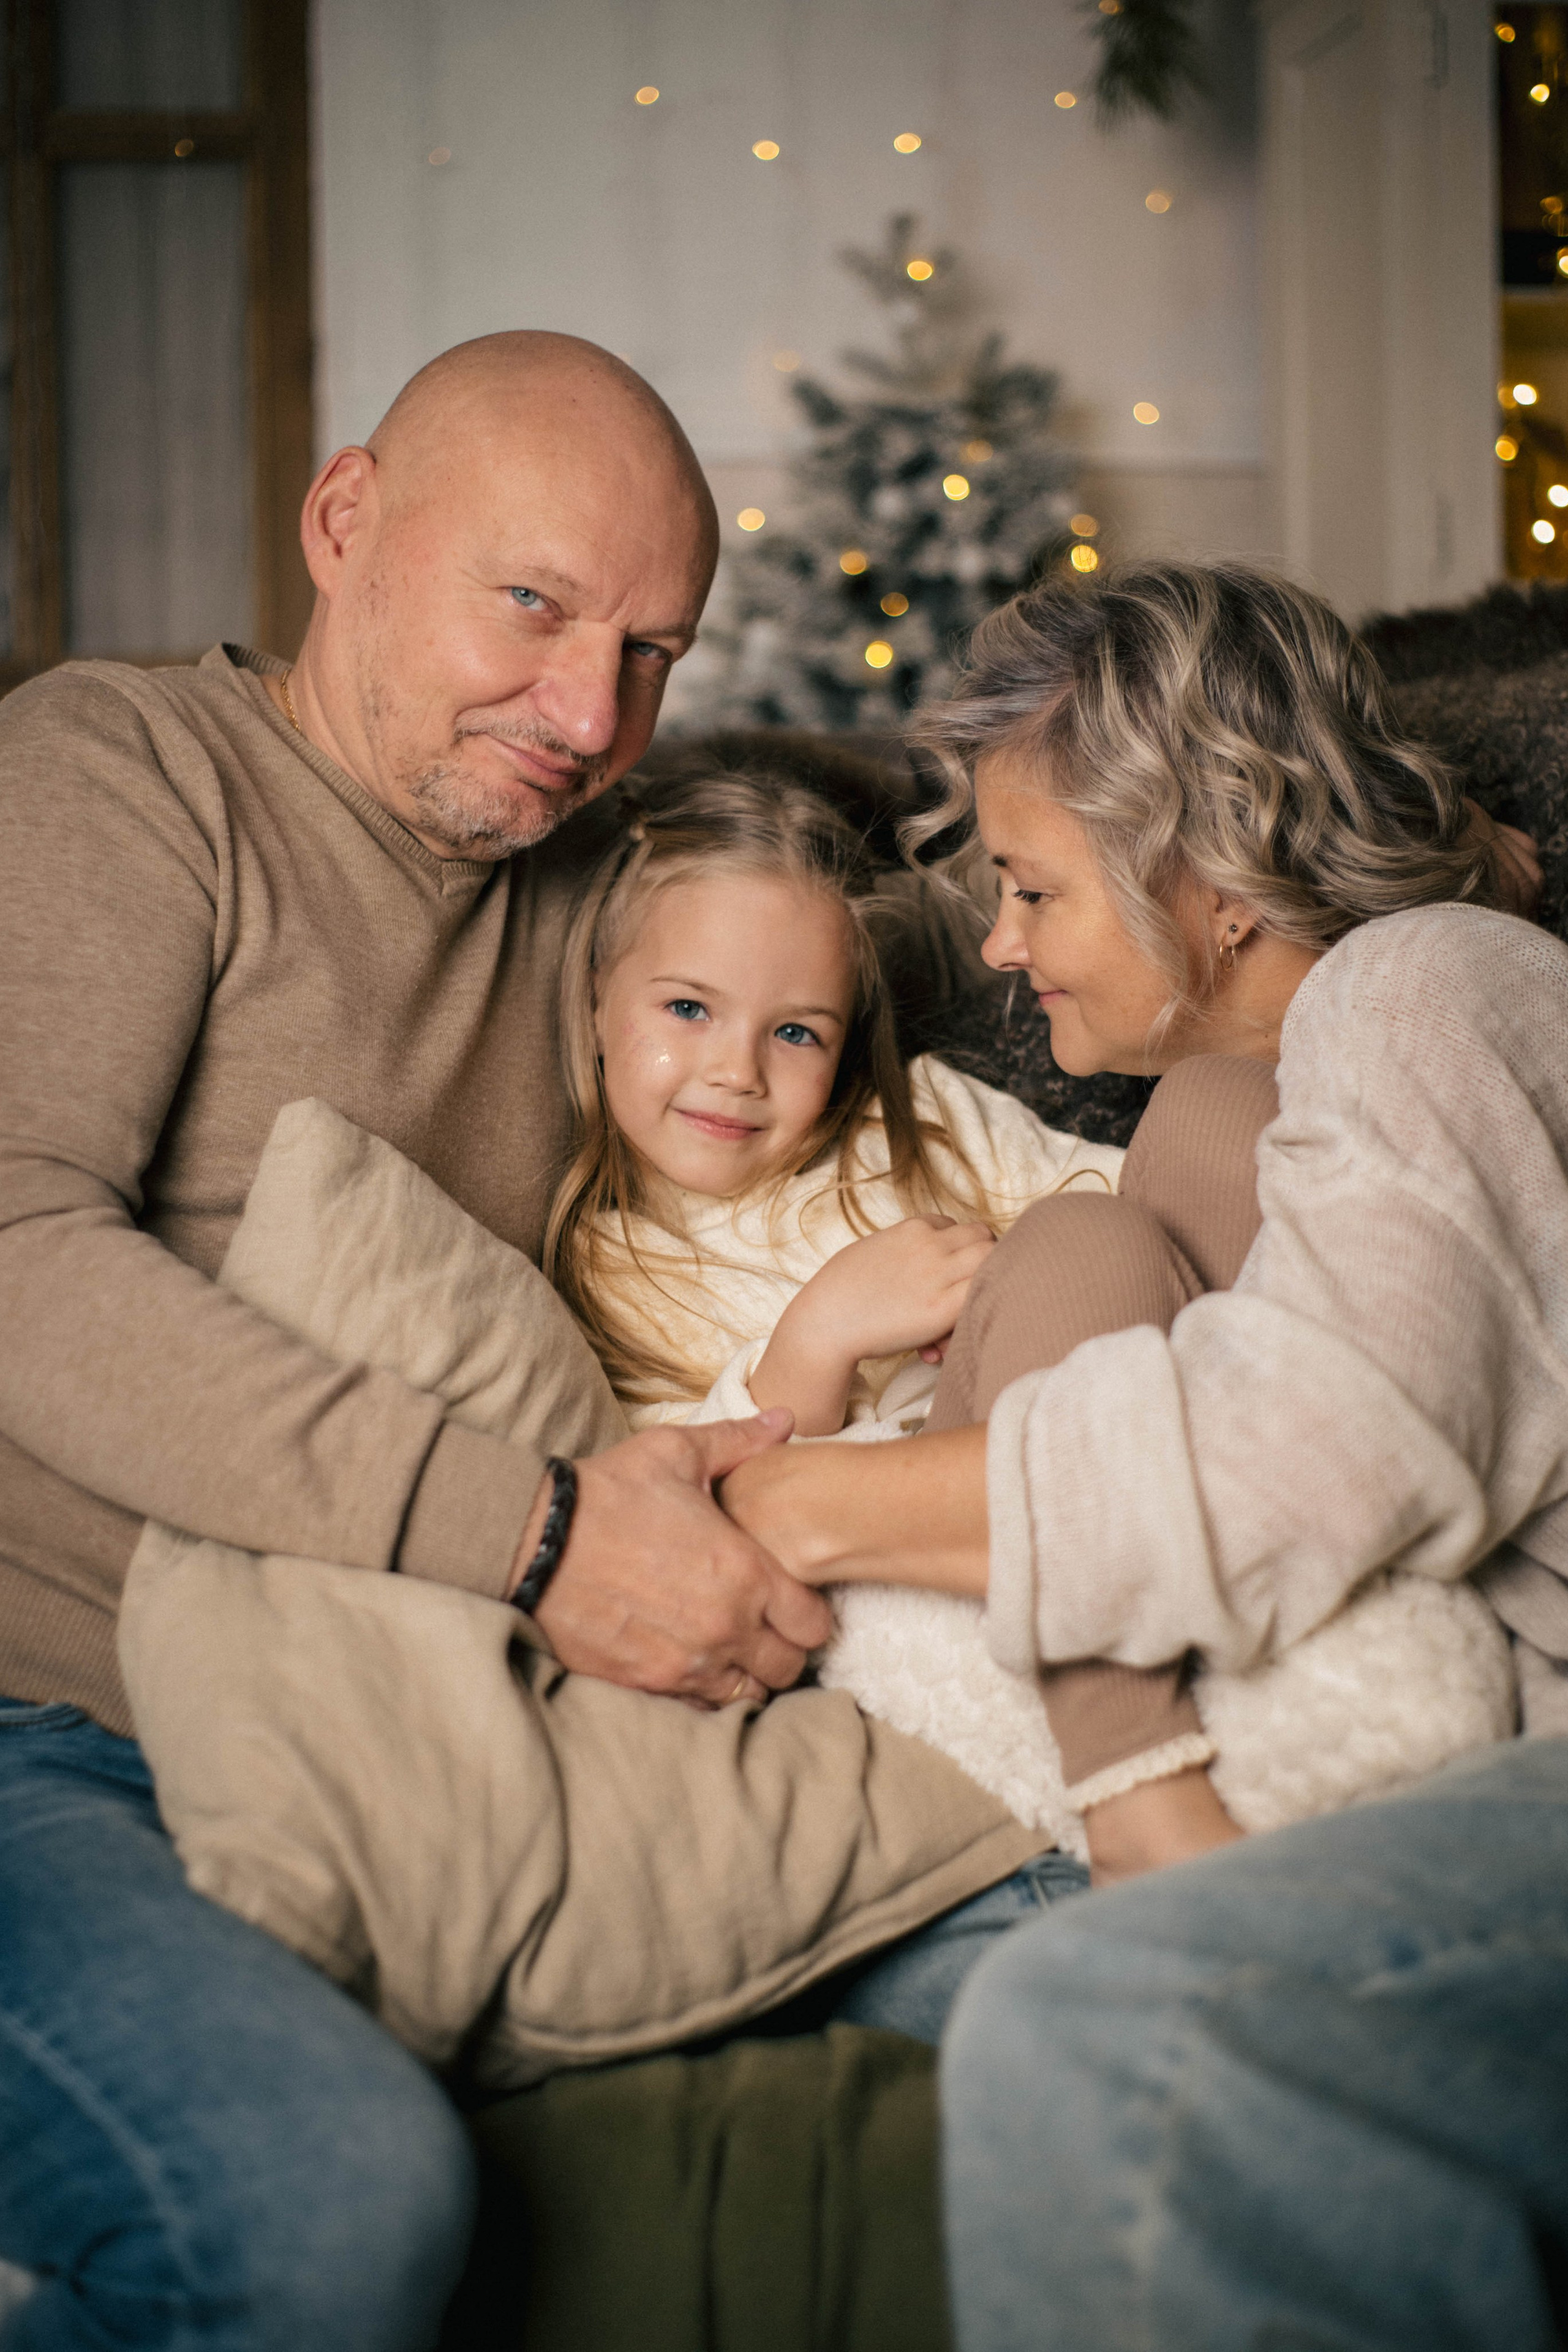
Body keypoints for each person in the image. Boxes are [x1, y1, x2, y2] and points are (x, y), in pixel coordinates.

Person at [0, 331, 845, 2352]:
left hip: (422, 1742)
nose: (584, 715)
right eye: (535, 606)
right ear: (348, 523)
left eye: (652, 653)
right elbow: (13, 1251)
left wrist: (1355, 874)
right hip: (51, 1730)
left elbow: (880, 928)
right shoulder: (120, 774)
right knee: (330, 2212)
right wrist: (543, 1539)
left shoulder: (604, 906)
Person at [718, 558, 1568, 2341]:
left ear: (1216, 873)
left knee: (1100, 2018)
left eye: (1029, 888)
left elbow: (1315, 1454)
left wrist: (779, 1495)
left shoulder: (1434, 987)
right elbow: (1106, 1309)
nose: (1000, 945)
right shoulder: (1236, 1109)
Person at [551, 763, 1510, 1879]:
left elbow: (1137, 1192)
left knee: (1218, 1106)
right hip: (926, 1558)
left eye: (798, 1033)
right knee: (1079, 1245)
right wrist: (819, 1337)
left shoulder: (922, 1121)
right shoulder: (612, 1255)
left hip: (1132, 1421)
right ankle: (1129, 1765)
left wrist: (1016, 1293)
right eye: (687, 1009)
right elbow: (689, 1512)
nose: (737, 1071)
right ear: (595, 1007)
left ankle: (1341, 1476)